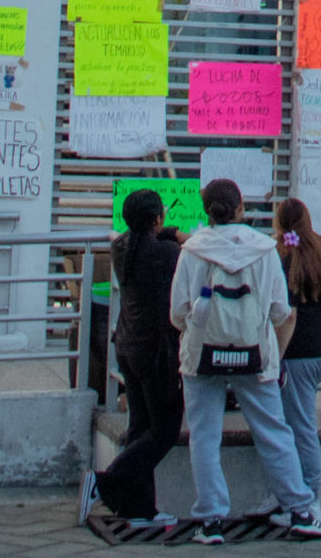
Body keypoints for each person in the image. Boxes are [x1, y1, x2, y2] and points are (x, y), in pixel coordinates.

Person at [169, 179, 321, 542]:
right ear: (241, 208)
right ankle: (301, 509)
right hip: (256, 355)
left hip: (201, 355)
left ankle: (210, 520)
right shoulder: (264, 250)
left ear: (207, 210)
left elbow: (178, 312)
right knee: (273, 431)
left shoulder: (193, 250)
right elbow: (279, 310)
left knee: (204, 437)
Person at [87, 187, 185, 531]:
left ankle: (140, 509)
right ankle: (105, 482)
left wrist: (168, 232)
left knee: (140, 428)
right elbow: (177, 250)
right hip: (156, 353)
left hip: (127, 346)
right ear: (158, 219)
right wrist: (175, 235)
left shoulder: (120, 247)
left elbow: (155, 237)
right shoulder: (167, 255)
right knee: (164, 432)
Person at [272, 199, 321, 520]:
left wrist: (275, 358)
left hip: (297, 355)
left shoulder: (284, 258)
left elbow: (288, 316)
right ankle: (297, 499)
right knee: (298, 425)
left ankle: (310, 504)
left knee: (301, 428)